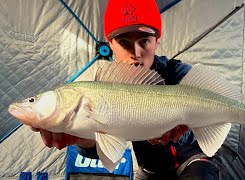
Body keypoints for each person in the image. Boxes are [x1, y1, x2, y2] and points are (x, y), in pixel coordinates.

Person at [32, 0, 225, 179]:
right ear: (110, 43)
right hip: (150, 170)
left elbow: (214, 114)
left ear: (157, 40)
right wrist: (84, 140)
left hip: (193, 161)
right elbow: (102, 148)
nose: (136, 53)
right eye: (124, 42)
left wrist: (183, 130)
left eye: (144, 41)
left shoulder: (179, 74)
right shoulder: (102, 89)